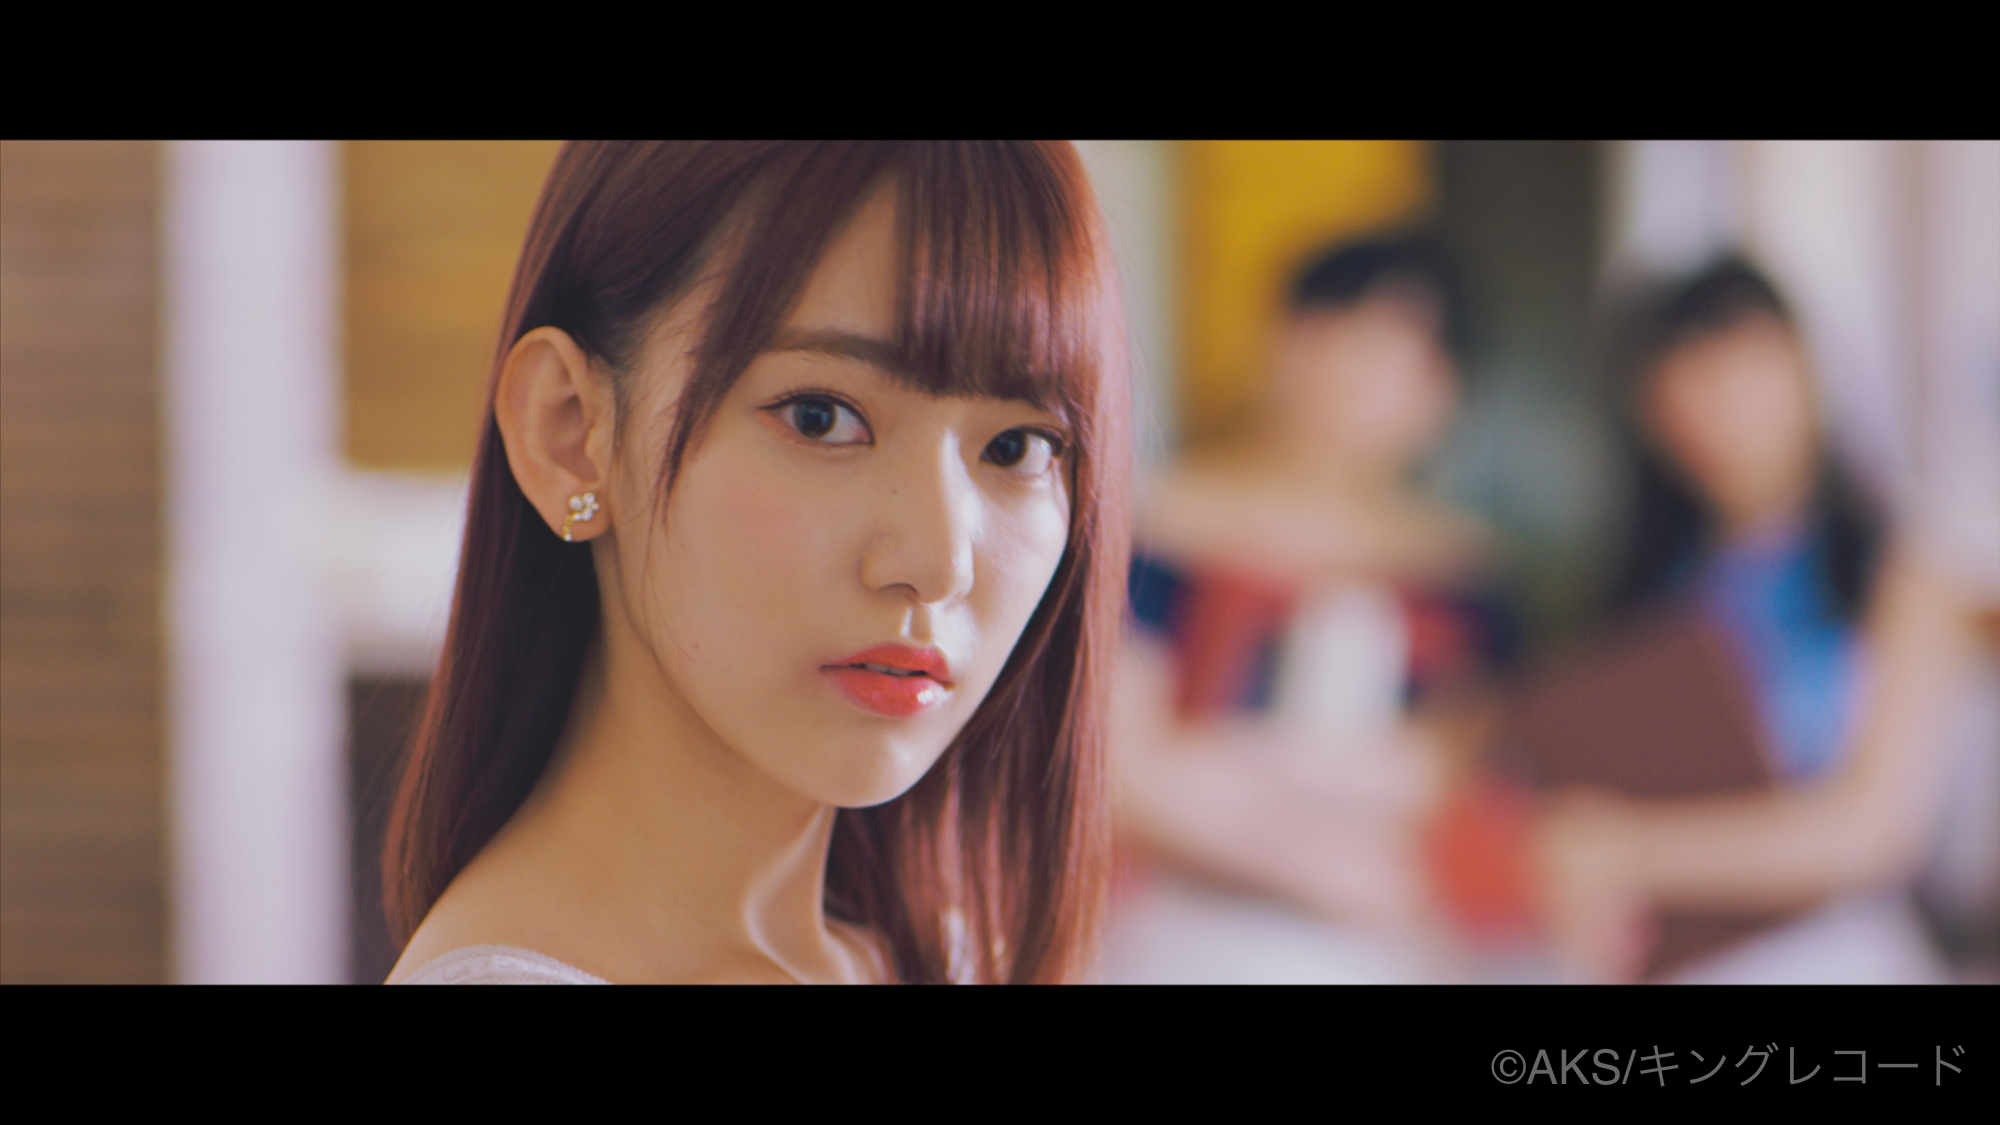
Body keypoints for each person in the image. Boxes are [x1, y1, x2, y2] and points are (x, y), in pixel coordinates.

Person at [381, 142, 1130, 983]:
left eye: (1016, 445)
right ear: (570, 434)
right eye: (820, 417)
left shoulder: (941, 955)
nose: (939, 562)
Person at [1520, 257, 1993, 982]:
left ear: (1806, 375)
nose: (1715, 417)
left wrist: (1629, 849)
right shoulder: (1652, 590)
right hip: (1662, 949)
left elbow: (1873, 831)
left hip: (1832, 944)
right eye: (1682, 392)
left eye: (1738, 376)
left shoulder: (1905, 574)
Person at [1101, 235, 1511, 982]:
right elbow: (1120, 766)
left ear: (1443, 392)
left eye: (1395, 358)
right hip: (1178, 914)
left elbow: (1459, 765)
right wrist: (1320, 871)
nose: (1355, 379)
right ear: (1277, 345)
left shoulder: (1464, 572)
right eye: (1333, 338)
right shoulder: (1157, 527)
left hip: (1395, 923)